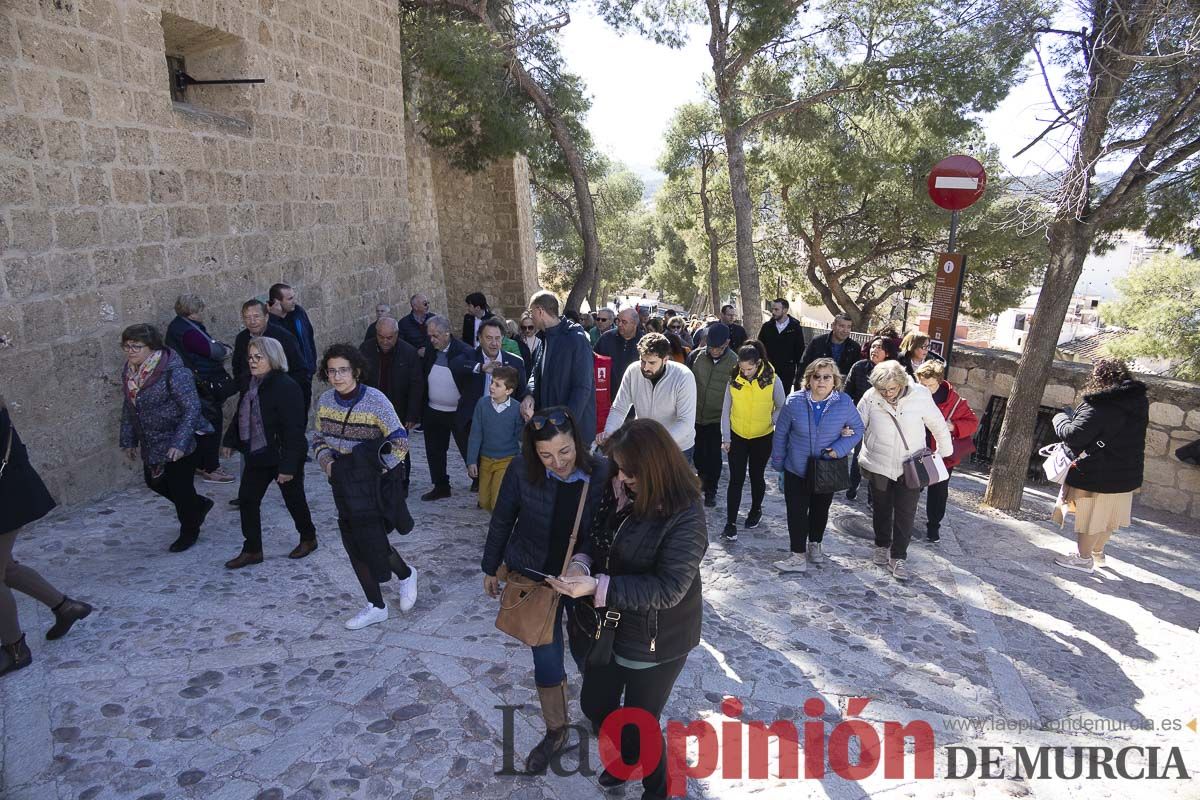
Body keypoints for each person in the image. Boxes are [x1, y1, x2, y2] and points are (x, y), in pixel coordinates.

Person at [546, 419, 707, 800]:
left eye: (629, 471)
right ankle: (628, 757)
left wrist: (599, 586)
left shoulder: (686, 514)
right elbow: (597, 536)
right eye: (617, 467)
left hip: (654, 635)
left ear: (654, 468)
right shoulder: (618, 486)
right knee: (595, 703)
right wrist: (581, 565)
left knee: (639, 721)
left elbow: (669, 589)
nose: (620, 476)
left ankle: (657, 788)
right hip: (608, 624)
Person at [481, 407, 608, 773]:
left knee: (591, 653)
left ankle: (600, 710)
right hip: (535, 578)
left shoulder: (602, 472)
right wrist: (491, 567)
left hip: (583, 581)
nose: (558, 462)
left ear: (578, 444)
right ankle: (556, 731)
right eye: (546, 455)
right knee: (546, 658)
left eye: (565, 451)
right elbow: (503, 517)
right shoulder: (521, 470)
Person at [313, 344, 418, 629]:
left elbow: (400, 440)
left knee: (374, 543)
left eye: (343, 370)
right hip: (342, 483)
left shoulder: (376, 401)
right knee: (353, 544)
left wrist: (381, 470)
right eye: (331, 371)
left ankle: (407, 574)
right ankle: (376, 605)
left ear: (356, 371)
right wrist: (328, 465)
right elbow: (318, 437)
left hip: (372, 484)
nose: (337, 376)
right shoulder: (324, 401)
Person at [1, 395, 92, 677]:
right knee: (7, 568)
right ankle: (66, 607)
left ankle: (15, 650)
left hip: (7, 497)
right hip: (11, 491)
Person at [221, 336, 317, 568]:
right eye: (250, 357)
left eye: (258, 357)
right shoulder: (251, 383)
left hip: (282, 454)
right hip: (257, 453)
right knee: (247, 499)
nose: (253, 362)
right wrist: (230, 440)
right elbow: (242, 413)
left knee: (294, 499)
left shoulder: (287, 387)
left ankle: (308, 538)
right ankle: (252, 549)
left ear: (272, 358)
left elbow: (294, 430)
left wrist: (288, 466)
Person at [119, 323, 214, 552]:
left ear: (152, 348)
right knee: (154, 482)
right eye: (126, 346)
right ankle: (198, 505)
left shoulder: (174, 371)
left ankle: (189, 530)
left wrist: (179, 443)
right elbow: (129, 406)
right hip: (152, 440)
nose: (130, 351)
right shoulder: (131, 372)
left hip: (180, 439)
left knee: (181, 489)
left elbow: (191, 408)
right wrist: (128, 440)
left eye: (136, 346)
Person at [1050, 359, 1149, 573]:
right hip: (1126, 472)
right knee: (1108, 518)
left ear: (1098, 378)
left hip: (1098, 473)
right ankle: (1097, 552)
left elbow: (1074, 435)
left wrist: (1060, 417)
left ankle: (1084, 558)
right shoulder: (1138, 401)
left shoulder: (1099, 404)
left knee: (1091, 518)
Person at [856, 361, 952, 581]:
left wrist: (944, 451)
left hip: (911, 465)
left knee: (906, 512)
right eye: (883, 390)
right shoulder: (871, 396)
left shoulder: (919, 394)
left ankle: (898, 557)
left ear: (901, 382)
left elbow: (937, 423)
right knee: (881, 508)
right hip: (878, 462)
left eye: (892, 389)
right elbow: (857, 422)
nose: (888, 394)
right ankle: (881, 545)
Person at [770, 359, 863, 572]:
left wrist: (837, 449)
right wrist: (778, 461)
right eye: (817, 376)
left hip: (826, 469)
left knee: (820, 510)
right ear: (809, 379)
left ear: (835, 380)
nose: (821, 381)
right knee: (796, 512)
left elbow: (858, 429)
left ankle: (815, 545)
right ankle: (797, 555)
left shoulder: (844, 402)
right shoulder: (794, 401)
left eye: (827, 377)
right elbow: (781, 433)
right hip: (796, 467)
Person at [165, 293, 235, 484]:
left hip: (195, 381)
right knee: (211, 423)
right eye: (200, 310)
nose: (202, 313)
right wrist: (225, 350)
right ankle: (211, 467)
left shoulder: (180, 327)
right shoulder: (186, 330)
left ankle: (200, 463)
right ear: (192, 311)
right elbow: (212, 350)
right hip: (200, 384)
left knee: (201, 425)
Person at [719, 341, 786, 541]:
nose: (745, 372)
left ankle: (755, 510)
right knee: (736, 479)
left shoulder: (773, 379)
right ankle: (730, 523)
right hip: (737, 436)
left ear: (758, 364)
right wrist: (726, 437)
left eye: (749, 368)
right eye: (742, 368)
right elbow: (725, 410)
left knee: (757, 476)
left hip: (762, 437)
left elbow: (783, 406)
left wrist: (771, 420)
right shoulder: (733, 378)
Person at [599, 333, 697, 457]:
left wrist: (655, 443)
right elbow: (619, 408)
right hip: (643, 444)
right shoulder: (633, 371)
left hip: (677, 448)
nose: (645, 368)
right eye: (642, 361)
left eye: (652, 363)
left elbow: (685, 422)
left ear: (665, 360)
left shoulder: (684, 376)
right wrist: (609, 433)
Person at [913, 360, 979, 544]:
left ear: (940, 382)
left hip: (940, 454)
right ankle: (904, 520)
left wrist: (954, 426)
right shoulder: (913, 394)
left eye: (930, 385)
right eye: (922, 384)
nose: (925, 389)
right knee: (912, 486)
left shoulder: (955, 401)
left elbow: (972, 423)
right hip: (917, 450)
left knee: (938, 491)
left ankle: (933, 528)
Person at [521, 290, 597, 445]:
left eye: (531, 312)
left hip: (572, 433)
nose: (530, 316)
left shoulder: (576, 340)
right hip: (549, 428)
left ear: (540, 311)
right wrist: (529, 394)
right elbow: (536, 374)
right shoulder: (544, 338)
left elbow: (582, 388)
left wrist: (564, 426)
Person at [420, 315, 472, 501]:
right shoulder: (430, 350)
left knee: (468, 448)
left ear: (447, 333)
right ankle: (441, 486)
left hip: (458, 412)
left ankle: (479, 480)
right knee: (434, 451)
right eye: (430, 335)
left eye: (436, 335)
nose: (432, 339)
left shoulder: (464, 351)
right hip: (434, 410)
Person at [844, 335, 901, 501]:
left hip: (883, 421)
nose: (874, 350)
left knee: (876, 459)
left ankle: (872, 496)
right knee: (858, 455)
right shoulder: (859, 367)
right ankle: (852, 486)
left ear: (888, 353)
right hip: (860, 417)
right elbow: (847, 393)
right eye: (873, 346)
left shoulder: (894, 372)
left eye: (879, 348)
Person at [688, 323, 737, 507]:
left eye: (719, 348)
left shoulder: (735, 363)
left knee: (714, 457)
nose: (714, 351)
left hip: (717, 417)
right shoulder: (696, 357)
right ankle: (701, 480)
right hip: (695, 415)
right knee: (699, 454)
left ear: (727, 343)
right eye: (711, 347)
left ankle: (711, 490)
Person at [466, 366, 525, 512]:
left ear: (509, 391)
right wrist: (471, 460)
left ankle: (499, 529)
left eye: (497, 384)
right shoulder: (482, 404)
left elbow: (520, 436)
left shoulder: (517, 408)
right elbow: (475, 433)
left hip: (507, 460)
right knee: (484, 501)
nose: (491, 386)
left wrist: (528, 422)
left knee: (496, 501)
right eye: (492, 382)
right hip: (486, 459)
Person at [359, 316, 424, 439]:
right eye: (381, 337)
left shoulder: (408, 353)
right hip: (371, 409)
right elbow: (358, 379)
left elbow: (416, 385)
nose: (384, 341)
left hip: (397, 409)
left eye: (389, 338)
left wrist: (412, 415)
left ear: (396, 335)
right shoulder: (366, 349)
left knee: (398, 448)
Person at [232, 299, 308, 400]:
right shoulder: (241, 338)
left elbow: (300, 369)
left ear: (266, 317)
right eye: (247, 317)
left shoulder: (284, 337)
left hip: (280, 397)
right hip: (251, 397)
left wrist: (286, 392)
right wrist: (245, 387)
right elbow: (237, 367)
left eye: (256, 316)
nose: (252, 321)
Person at [268, 283, 317, 415]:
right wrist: (273, 318)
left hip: (304, 374)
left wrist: (311, 366)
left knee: (303, 413)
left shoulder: (299, 313)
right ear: (277, 302)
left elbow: (309, 338)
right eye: (289, 299)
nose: (293, 301)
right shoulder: (269, 322)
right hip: (285, 378)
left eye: (293, 297)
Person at [756, 298, 805, 392]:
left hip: (786, 372)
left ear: (785, 310)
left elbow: (799, 351)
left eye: (776, 309)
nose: (773, 312)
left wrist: (799, 373)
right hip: (767, 370)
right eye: (772, 309)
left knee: (783, 400)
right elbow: (759, 347)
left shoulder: (795, 327)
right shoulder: (767, 327)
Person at [594, 308, 643, 397]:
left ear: (634, 324)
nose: (620, 324)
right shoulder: (606, 338)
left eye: (624, 322)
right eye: (618, 321)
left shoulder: (644, 342)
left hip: (635, 397)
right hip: (608, 395)